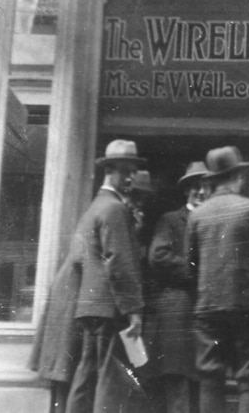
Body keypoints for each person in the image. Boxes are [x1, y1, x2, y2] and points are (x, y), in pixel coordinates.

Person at [186, 146, 249, 413]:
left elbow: (190, 268)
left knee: (210, 378)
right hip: (247, 306)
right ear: (237, 177)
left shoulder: (196, 215)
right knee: (248, 377)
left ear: (212, 179)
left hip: (208, 307)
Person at [65, 139, 147, 413]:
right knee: (109, 381)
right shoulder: (115, 208)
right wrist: (133, 310)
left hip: (90, 307)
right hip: (110, 309)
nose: (131, 177)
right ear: (108, 170)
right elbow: (120, 262)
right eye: (125, 170)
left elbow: (78, 258)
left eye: (133, 171)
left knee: (86, 374)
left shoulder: (94, 207)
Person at [144, 161, 210, 413]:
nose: (201, 192)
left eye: (205, 186)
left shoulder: (214, 219)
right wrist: (197, 272)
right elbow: (158, 256)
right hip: (178, 310)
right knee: (178, 381)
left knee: (203, 381)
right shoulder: (170, 220)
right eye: (195, 187)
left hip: (204, 312)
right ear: (186, 191)